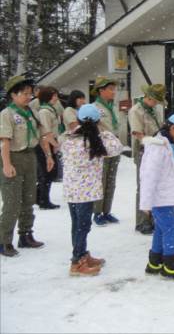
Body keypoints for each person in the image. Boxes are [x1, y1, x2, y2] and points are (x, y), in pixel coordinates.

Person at [60, 104, 123, 276]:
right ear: (97, 121)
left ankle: (81, 254)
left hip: (72, 190)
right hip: (85, 191)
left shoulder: (69, 137)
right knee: (83, 226)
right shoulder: (95, 140)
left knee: (77, 225)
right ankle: (77, 262)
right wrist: (103, 129)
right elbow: (117, 147)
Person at [0, 75, 50, 257]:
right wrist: (6, 164)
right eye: (24, 93)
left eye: (30, 93)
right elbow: (4, 142)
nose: (28, 96)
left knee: (28, 199)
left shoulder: (31, 112)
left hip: (30, 156)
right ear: (13, 95)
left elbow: (43, 135)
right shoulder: (7, 115)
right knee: (12, 202)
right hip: (13, 157)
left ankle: (25, 234)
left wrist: (49, 155)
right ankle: (4, 240)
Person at [141, 111, 174, 281]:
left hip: (166, 196)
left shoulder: (173, 144)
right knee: (171, 226)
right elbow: (148, 176)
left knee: (162, 229)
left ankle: (155, 263)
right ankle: (171, 266)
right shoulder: (157, 147)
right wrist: (146, 204)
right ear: (173, 128)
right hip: (158, 196)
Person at [129, 84, 166, 235]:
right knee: (144, 186)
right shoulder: (136, 110)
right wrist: (154, 142)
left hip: (157, 149)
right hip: (144, 150)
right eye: (155, 100)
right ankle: (142, 221)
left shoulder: (155, 109)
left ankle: (153, 218)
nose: (157, 103)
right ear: (148, 97)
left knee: (156, 185)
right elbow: (138, 134)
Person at [91, 76, 121, 226]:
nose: (113, 92)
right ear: (101, 90)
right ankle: (97, 212)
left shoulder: (112, 107)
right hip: (102, 148)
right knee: (100, 180)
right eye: (110, 89)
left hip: (114, 147)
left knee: (111, 181)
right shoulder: (95, 108)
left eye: (114, 89)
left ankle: (107, 210)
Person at [36, 86, 61, 209]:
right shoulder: (44, 112)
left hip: (51, 142)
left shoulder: (51, 110)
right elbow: (46, 131)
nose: (56, 98)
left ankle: (39, 196)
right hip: (45, 143)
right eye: (54, 95)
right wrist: (56, 144)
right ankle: (43, 200)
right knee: (47, 173)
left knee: (50, 173)